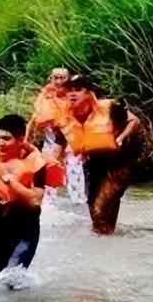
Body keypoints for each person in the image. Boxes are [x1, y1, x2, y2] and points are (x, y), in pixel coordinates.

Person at [0, 114, 64, 273]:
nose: (0, 142)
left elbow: (36, 198)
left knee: (14, 275)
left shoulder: (36, 163)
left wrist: (11, 182)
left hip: (24, 224)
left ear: (20, 139)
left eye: (6, 138)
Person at [60, 74, 143, 235]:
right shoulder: (67, 114)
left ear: (89, 93)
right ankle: (106, 235)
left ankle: (105, 237)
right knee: (93, 205)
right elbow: (62, 138)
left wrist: (120, 138)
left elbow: (134, 121)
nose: (72, 94)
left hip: (119, 160)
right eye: (69, 90)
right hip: (94, 160)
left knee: (102, 203)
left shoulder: (109, 107)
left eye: (78, 90)